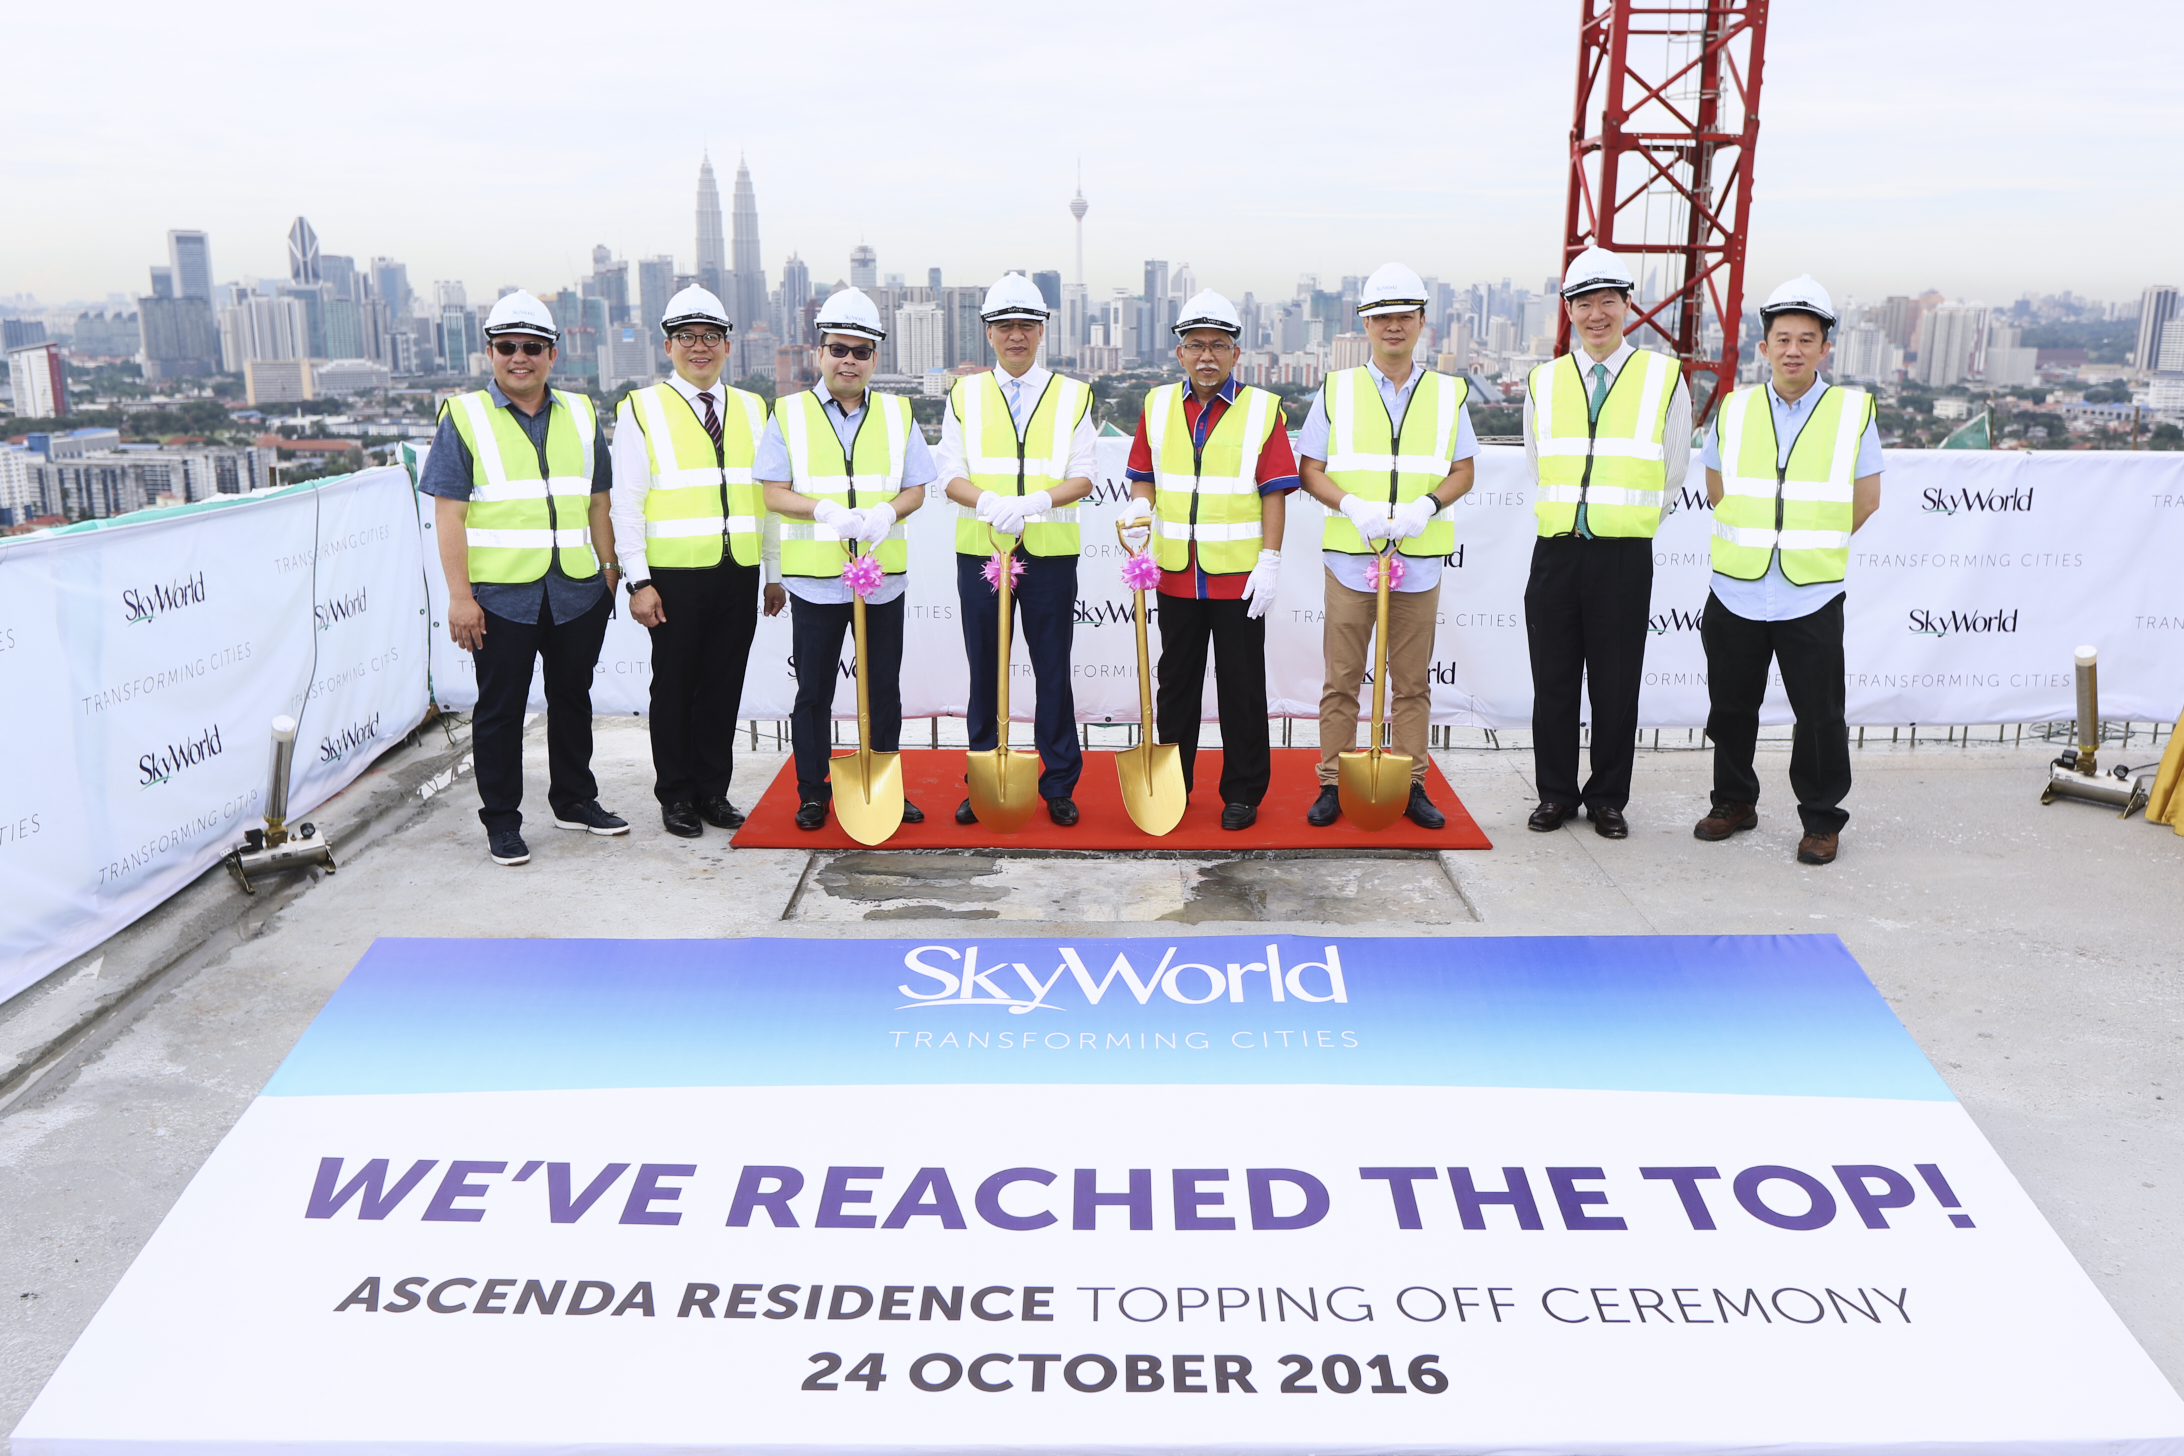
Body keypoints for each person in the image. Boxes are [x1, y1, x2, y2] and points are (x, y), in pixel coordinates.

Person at [420, 290, 625, 867]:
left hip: (576, 590)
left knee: (572, 700)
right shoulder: (464, 417)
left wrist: (609, 572)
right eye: (507, 347)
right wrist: (460, 597)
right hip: (500, 597)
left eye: (532, 347)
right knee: (501, 710)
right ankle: (503, 822)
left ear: (552, 354)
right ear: (490, 352)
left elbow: (598, 502)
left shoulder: (582, 414)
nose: (520, 358)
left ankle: (575, 800)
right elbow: (449, 514)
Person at [1696, 274, 1882, 866]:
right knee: (1730, 708)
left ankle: (1822, 820)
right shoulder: (1737, 406)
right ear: (1765, 347)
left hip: (1810, 591)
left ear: (1826, 347)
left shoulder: (1853, 410)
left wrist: (1809, 545)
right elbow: (1717, 484)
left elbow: (1867, 497)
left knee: (1820, 717)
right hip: (1737, 587)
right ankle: (1733, 801)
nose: (1794, 349)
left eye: (1807, 338)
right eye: (1783, 338)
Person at [1296, 262, 1478, 830]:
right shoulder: (1337, 387)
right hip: (1352, 557)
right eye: (1381, 318)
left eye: (1403, 317)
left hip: (1418, 561)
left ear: (1422, 322)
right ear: (1364, 325)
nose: (1392, 327)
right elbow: (1310, 469)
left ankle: (1413, 781)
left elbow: (1463, 469)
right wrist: (1352, 506)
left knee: (1412, 682)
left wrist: (1427, 506)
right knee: (1342, 677)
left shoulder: (1449, 392)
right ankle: (1332, 781)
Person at [1521, 246, 1691, 839]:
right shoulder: (1544, 380)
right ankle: (1556, 794)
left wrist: (1628, 521)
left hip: (1622, 554)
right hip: (1557, 550)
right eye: (1584, 303)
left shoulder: (1663, 376)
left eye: (1608, 302)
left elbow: (1673, 471)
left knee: (1617, 683)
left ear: (1627, 308)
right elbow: (1536, 461)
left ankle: (1609, 798)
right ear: (1569, 311)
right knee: (1555, 681)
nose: (1597, 315)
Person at [609, 285, 784, 839]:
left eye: (710, 337)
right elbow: (626, 504)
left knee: (723, 686)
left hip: (738, 572)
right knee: (676, 687)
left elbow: (771, 498)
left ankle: (713, 791)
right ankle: (676, 796)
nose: (699, 347)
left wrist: (773, 573)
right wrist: (638, 580)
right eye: (688, 337)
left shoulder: (754, 407)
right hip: (674, 577)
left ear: (727, 345)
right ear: (669, 346)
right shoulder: (641, 408)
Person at [1118, 289, 1297, 829]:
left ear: (1236, 353)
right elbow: (1144, 481)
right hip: (1175, 574)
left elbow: (1273, 492)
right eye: (1195, 345)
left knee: (1242, 687)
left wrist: (1270, 561)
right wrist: (1136, 517)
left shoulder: (1263, 409)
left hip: (1239, 578)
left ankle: (1242, 791)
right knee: (1176, 684)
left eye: (1218, 346)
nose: (1207, 357)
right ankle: (1173, 784)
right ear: (1179, 353)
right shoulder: (1156, 405)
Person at [756, 287, 930, 832]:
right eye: (838, 349)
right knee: (814, 692)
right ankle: (813, 792)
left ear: (875, 356)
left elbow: (916, 489)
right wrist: (826, 511)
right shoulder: (789, 413)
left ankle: (883, 786)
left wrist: (884, 514)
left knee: (882, 689)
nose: (848, 360)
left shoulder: (899, 413)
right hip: (814, 583)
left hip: (883, 582)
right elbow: (773, 493)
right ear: (819, 353)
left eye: (860, 351)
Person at [935, 273, 1098, 827]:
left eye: (1027, 325)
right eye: (1005, 325)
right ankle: (984, 775)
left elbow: (1084, 478)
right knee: (986, 667)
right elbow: (948, 475)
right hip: (981, 551)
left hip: (1050, 553)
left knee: (1053, 669)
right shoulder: (964, 393)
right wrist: (989, 505)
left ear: (1042, 330)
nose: (1016, 336)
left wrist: (1029, 504)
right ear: (988, 333)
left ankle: (1057, 784)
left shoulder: (1074, 394)